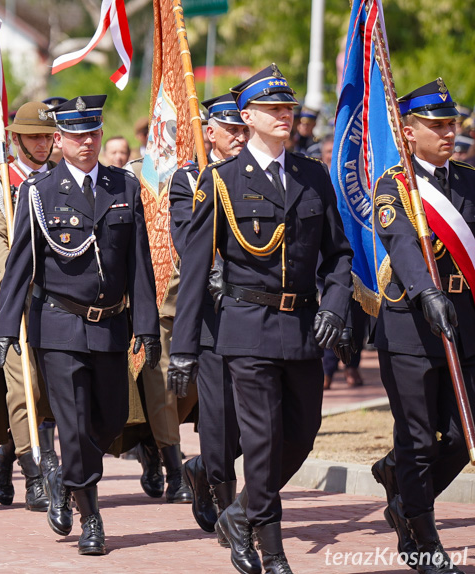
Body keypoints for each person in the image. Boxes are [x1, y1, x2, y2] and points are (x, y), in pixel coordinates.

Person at [167, 65, 353, 574]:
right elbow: (197, 266)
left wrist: (337, 304)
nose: (283, 114)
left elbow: (338, 255)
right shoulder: (221, 181)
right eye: (272, 108)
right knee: (264, 442)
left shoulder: (312, 174)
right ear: (246, 117)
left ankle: (241, 511)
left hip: (303, 327)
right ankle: (272, 552)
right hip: (246, 328)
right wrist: (183, 347)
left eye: (286, 106)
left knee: (303, 432)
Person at [0, 95, 161, 555]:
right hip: (58, 326)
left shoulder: (123, 186)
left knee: (110, 418)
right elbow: (20, 264)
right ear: (59, 140)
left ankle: (66, 480)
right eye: (76, 135)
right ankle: (92, 517)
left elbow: (139, 263)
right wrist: (5, 330)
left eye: (93, 133)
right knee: (74, 422)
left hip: (110, 326)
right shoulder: (38, 191)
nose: (86, 142)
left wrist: (147, 325)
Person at [369, 79, 474, 574]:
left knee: (460, 437)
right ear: (409, 132)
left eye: (451, 123)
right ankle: (421, 536)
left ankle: (402, 487)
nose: (449, 132)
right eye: (437, 125)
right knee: (416, 437)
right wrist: (426, 292)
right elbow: (403, 245)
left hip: (466, 326)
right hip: (411, 328)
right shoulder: (394, 184)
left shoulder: (470, 181)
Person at [0, 101, 60, 510]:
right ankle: (34, 474)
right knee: (26, 389)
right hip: (13, 302)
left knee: (52, 396)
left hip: (61, 304)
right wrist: (23, 279)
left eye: (47, 136)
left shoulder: (62, 179)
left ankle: (5, 455)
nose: (42, 144)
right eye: (34, 137)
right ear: (16, 139)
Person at [168, 93, 249, 529]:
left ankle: (203, 467)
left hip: (257, 313)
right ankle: (222, 495)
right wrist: (215, 266)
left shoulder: (258, 174)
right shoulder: (189, 178)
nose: (238, 136)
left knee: (249, 423)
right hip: (213, 319)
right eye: (230, 129)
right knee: (217, 422)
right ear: (209, 132)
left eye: (243, 128)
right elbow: (186, 240)